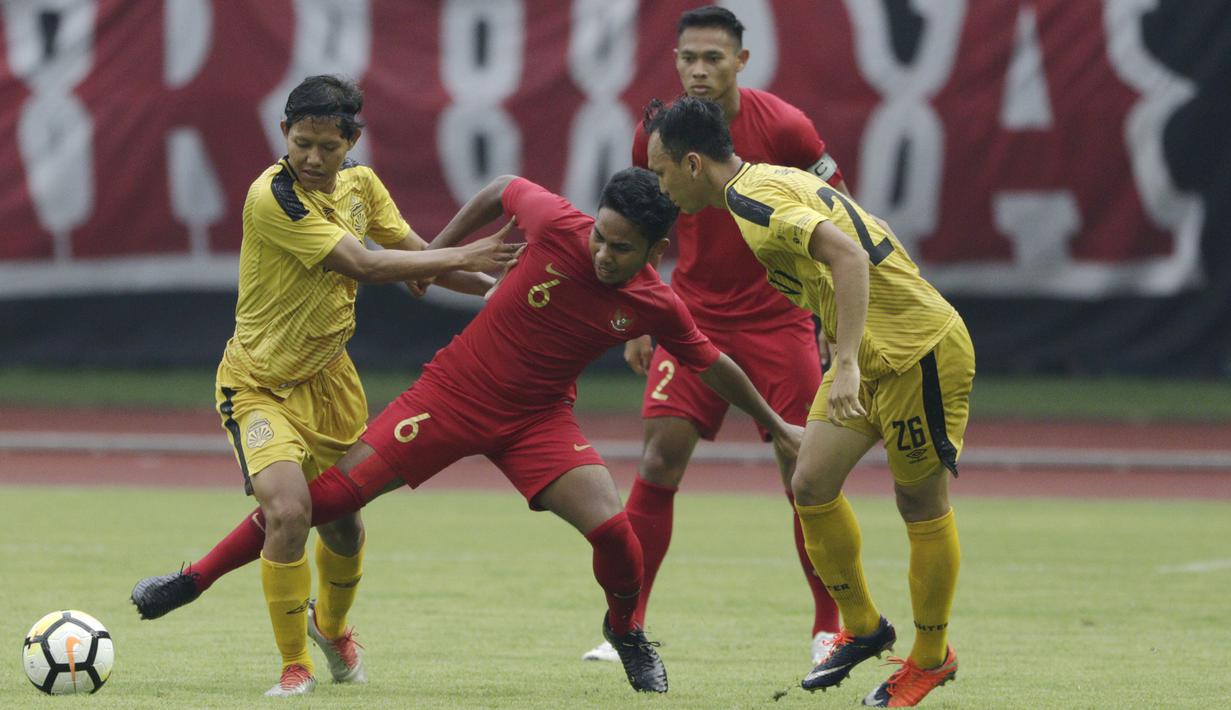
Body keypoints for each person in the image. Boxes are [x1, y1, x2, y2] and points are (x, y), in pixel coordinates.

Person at [131, 167, 804, 695]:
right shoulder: (557, 223)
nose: (602, 252)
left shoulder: (654, 302)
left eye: (620, 247)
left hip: (537, 420)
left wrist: (776, 424)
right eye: (600, 235)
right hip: (450, 397)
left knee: (616, 536)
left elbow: (712, 363)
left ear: (655, 251)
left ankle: (625, 630)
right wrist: (438, 255)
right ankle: (192, 580)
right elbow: (501, 188)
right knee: (323, 504)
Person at [129, 75, 519, 698]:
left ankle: (332, 629)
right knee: (288, 511)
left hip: (332, 384)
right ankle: (294, 667)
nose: (312, 158)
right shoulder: (272, 197)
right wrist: (463, 257)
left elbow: (416, 257)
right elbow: (365, 263)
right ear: (284, 132)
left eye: (327, 147)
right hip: (259, 385)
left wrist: (505, 287)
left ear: (352, 142)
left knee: (344, 529)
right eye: (301, 143)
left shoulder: (362, 185)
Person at [644, 96, 973, 708]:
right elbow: (867, 227)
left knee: (919, 502)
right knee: (811, 483)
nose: (660, 188)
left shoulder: (755, 202)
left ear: (692, 164)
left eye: (660, 172)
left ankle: (932, 658)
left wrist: (844, 360)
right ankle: (865, 628)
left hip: (918, 352)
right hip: (872, 348)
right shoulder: (764, 181)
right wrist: (845, 326)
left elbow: (849, 253)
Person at [583, 5, 845, 666]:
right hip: (691, 315)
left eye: (713, 58)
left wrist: (827, 312)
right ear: (674, 60)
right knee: (656, 462)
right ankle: (627, 627)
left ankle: (829, 627)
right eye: (688, 58)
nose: (698, 69)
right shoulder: (656, 136)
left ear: (741, 61)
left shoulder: (785, 126)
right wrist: (641, 314)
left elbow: (839, 210)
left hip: (779, 318)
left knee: (805, 472)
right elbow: (637, 225)